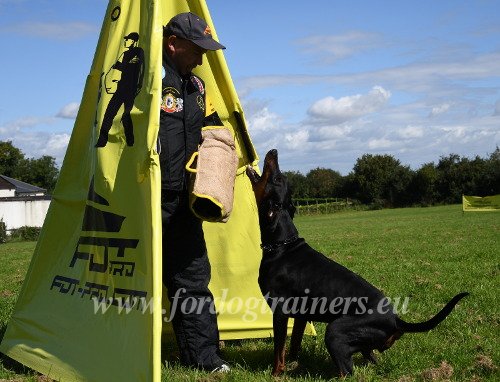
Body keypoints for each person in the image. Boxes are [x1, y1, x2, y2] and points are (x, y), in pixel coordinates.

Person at [159, 12, 229, 373]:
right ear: (173, 44)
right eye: (197, 49)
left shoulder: (197, 87)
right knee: (126, 281)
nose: (203, 57)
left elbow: (214, 132)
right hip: (145, 202)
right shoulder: (148, 81)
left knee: (193, 279)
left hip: (185, 200)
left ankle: (205, 360)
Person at [96, 32, 144, 147]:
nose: (125, 41)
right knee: (109, 112)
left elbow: (142, 69)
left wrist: (139, 85)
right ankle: (102, 140)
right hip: (121, 87)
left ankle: (131, 141)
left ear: (133, 41)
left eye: (128, 40)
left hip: (131, 88)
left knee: (127, 115)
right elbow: (115, 68)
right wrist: (108, 82)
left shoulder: (139, 52)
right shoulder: (124, 53)